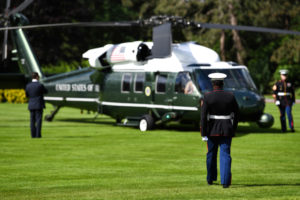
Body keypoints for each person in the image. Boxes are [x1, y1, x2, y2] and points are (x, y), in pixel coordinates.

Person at [200, 73, 239, 188]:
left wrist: (203, 133)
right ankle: (225, 181)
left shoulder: (207, 96)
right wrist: (234, 128)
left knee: (211, 154)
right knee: (225, 155)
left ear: (213, 84)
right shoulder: (230, 96)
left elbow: (203, 116)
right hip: (227, 128)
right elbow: (237, 113)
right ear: (222, 83)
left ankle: (210, 178)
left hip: (211, 129)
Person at [25, 72, 48, 138]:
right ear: (37, 77)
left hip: (31, 105)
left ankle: (33, 135)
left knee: (32, 121)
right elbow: (46, 91)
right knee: (38, 121)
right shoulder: (40, 85)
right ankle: (38, 135)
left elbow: (27, 95)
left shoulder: (28, 85)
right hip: (38, 104)